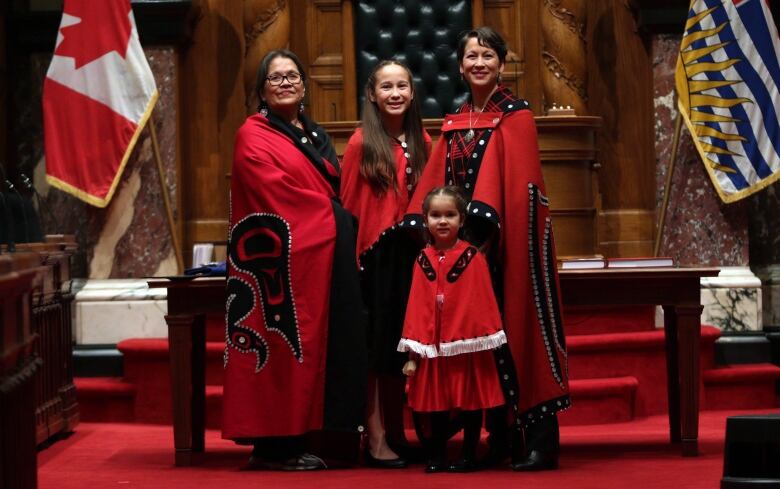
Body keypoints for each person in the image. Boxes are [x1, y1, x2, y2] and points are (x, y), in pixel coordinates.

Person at [404, 27, 571, 471]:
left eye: (488, 56)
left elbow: (522, 187)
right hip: (461, 254)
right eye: (471, 56)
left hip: (508, 247)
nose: (479, 63)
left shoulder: (516, 115)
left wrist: (488, 230)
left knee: (518, 332)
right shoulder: (456, 119)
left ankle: (539, 441)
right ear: (460, 66)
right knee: (479, 345)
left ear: (501, 63)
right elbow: (436, 183)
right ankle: (498, 438)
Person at [224, 49, 367, 471]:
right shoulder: (252, 135)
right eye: (275, 78)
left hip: (318, 257)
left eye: (292, 77)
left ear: (304, 85)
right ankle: (272, 447)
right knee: (279, 348)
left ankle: (314, 437)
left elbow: (329, 185)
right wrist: (335, 217)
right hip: (274, 265)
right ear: (262, 91)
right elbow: (273, 194)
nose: (285, 83)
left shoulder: (316, 135)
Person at [340, 60, 430, 467]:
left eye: (402, 86)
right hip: (374, 256)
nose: (395, 93)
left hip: (410, 254)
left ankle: (396, 430)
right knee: (376, 353)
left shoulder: (422, 139)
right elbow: (349, 206)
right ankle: (374, 438)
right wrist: (354, 261)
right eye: (386, 87)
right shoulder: (362, 142)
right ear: (373, 96)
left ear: (412, 93)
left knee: (400, 349)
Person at [398, 186, 506, 473]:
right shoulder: (421, 259)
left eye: (450, 215)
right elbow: (416, 304)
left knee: (470, 400)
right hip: (433, 348)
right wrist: (414, 346)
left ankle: (469, 454)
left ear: (462, 220)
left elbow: (480, 301)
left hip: (465, 347)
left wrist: (472, 334)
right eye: (435, 215)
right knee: (437, 403)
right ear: (425, 220)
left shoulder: (473, 258)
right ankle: (436, 455)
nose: (442, 221)